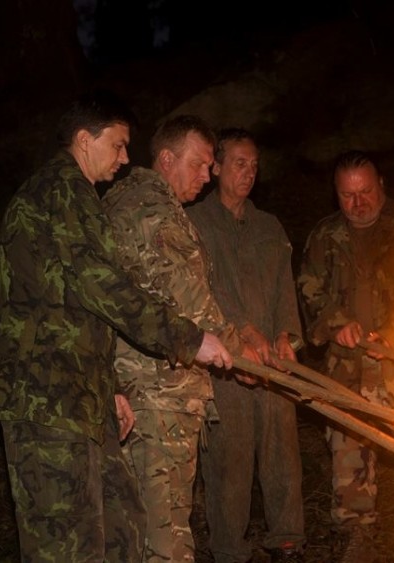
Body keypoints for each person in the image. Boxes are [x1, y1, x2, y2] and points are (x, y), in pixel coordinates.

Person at [0, 91, 233, 563]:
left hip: (81, 392)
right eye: (117, 145)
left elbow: (77, 304)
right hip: (46, 395)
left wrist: (109, 386)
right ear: (84, 139)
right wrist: (188, 338)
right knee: (67, 545)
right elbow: (102, 285)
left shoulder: (79, 197)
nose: (125, 158)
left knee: (123, 526)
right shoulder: (60, 190)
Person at [101, 114, 261, 563]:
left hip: (146, 391)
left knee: (141, 529)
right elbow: (187, 298)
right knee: (166, 534)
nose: (207, 176)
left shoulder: (128, 202)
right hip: (158, 395)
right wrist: (238, 351)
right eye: (199, 164)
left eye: (210, 167)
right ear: (167, 159)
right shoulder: (152, 210)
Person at [297, 150, 394, 562]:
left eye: (365, 192)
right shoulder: (325, 236)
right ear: (336, 194)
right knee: (350, 453)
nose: (358, 203)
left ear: (381, 185)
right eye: (347, 195)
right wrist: (336, 323)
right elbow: (309, 290)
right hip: (348, 371)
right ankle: (357, 536)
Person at [188, 128, 306, 563]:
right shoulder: (195, 223)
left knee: (282, 451)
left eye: (254, 165)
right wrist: (242, 332)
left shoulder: (269, 226)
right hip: (226, 360)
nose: (249, 172)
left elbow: (284, 289)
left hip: (271, 361)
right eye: (239, 163)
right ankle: (229, 549)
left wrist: (285, 336)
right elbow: (203, 290)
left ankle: (287, 540)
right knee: (229, 457)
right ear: (216, 167)